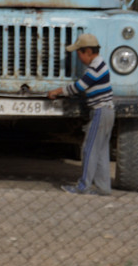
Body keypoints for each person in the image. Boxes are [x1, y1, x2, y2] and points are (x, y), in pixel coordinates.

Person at [47, 33, 114, 196]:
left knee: (89, 149)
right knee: (101, 151)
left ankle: (83, 186)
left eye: (79, 54)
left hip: (100, 111)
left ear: (88, 52)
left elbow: (79, 87)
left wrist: (58, 91)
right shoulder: (100, 64)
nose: (79, 58)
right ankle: (104, 188)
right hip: (107, 111)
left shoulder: (95, 67)